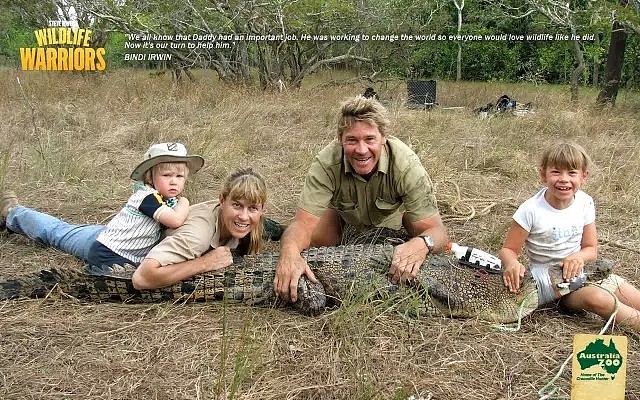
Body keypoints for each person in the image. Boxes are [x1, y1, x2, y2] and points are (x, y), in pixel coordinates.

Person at [274, 95, 448, 302]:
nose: (361, 150)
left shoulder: (406, 165)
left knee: (424, 239)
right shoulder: (326, 163)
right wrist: (289, 253)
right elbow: (302, 223)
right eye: (352, 140)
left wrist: (420, 244)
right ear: (340, 140)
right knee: (315, 243)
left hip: (393, 216)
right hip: (343, 215)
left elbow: (438, 232)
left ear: (383, 137)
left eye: (369, 139)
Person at [499, 141, 640, 330]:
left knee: (634, 297)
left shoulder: (585, 202)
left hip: (586, 273)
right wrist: (512, 263)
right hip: (556, 288)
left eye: (572, 172)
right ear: (543, 174)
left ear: (583, 176)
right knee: (599, 299)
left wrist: (578, 257)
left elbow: (591, 249)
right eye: (556, 172)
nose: (564, 179)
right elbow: (508, 249)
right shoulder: (530, 210)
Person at [0, 142, 204, 267]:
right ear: (150, 177)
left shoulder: (166, 199)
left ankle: (16, 213)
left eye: (180, 176)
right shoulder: (146, 197)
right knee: (57, 233)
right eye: (166, 175)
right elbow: (176, 220)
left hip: (116, 237)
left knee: (64, 230)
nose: (174, 181)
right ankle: (13, 213)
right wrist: (185, 201)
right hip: (110, 252)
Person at [131, 167, 268, 289]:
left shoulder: (252, 222)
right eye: (237, 205)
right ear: (221, 200)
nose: (244, 216)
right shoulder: (197, 236)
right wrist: (205, 263)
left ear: (263, 210)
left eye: (253, 208)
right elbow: (142, 278)